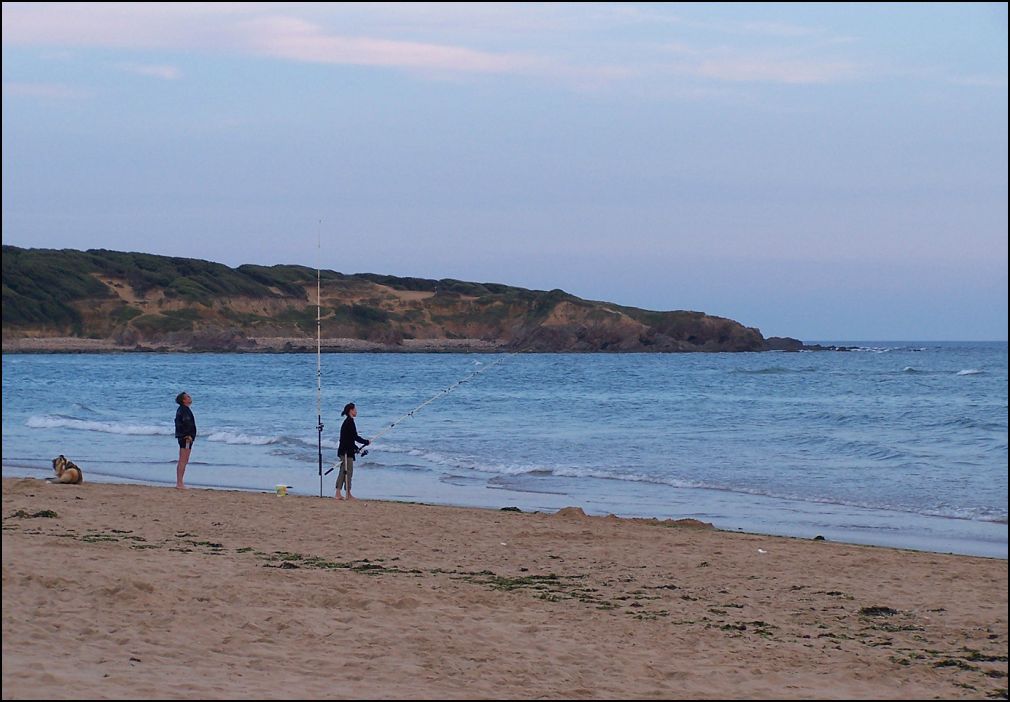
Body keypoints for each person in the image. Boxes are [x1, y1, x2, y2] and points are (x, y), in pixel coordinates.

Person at [335, 402, 369, 500]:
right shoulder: (349, 422)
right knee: (346, 472)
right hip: (345, 452)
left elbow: (349, 439)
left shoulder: (349, 421)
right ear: (351, 410)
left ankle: (345, 493)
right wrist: (366, 441)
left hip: (346, 450)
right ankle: (343, 494)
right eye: (355, 409)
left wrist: (356, 448)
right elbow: (355, 437)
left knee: (346, 471)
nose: (356, 411)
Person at [174, 391, 196, 489]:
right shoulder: (184, 410)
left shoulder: (183, 409)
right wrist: (188, 435)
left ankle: (179, 482)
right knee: (183, 460)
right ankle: (179, 483)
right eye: (187, 397)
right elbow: (186, 424)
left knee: (183, 460)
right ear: (184, 400)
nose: (190, 397)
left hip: (183, 436)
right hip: (186, 438)